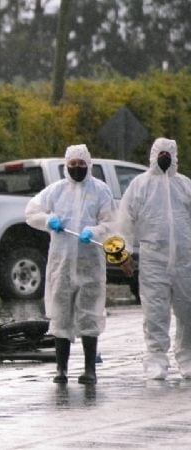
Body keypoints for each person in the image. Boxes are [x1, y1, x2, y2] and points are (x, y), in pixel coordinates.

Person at [24, 144, 115, 384]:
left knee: (89, 315)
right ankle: (61, 370)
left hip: (90, 265)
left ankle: (89, 370)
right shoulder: (56, 191)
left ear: (88, 164)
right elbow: (31, 212)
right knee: (60, 315)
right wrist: (48, 219)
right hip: (61, 264)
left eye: (80, 164)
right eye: (72, 165)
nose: (76, 169)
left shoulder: (101, 191)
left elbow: (111, 223)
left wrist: (94, 231)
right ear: (66, 166)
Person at [116, 137, 191, 380]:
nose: (165, 157)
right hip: (153, 259)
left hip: (185, 259)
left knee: (188, 309)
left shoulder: (184, 185)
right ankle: (157, 359)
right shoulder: (140, 185)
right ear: (153, 155)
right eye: (161, 152)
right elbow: (124, 222)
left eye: (169, 152)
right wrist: (123, 253)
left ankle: (187, 356)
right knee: (155, 311)